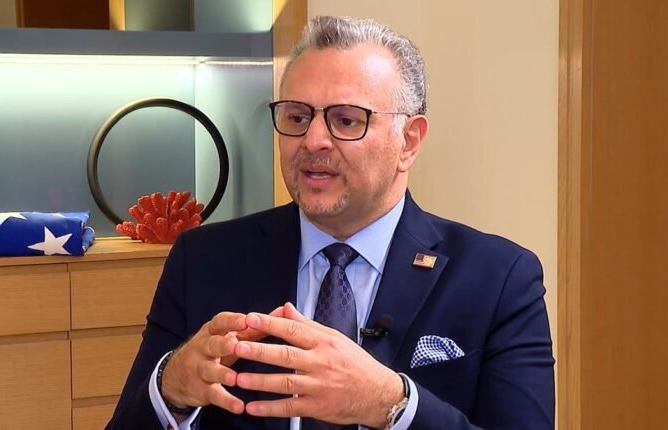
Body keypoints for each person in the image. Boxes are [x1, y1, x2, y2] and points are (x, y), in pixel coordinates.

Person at [106, 15, 554, 430]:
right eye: (297, 117)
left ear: (408, 142)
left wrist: (393, 405)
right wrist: (171, 389)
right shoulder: (204, 260)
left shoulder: (499, 279)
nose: (313, 140)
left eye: (346, 120)